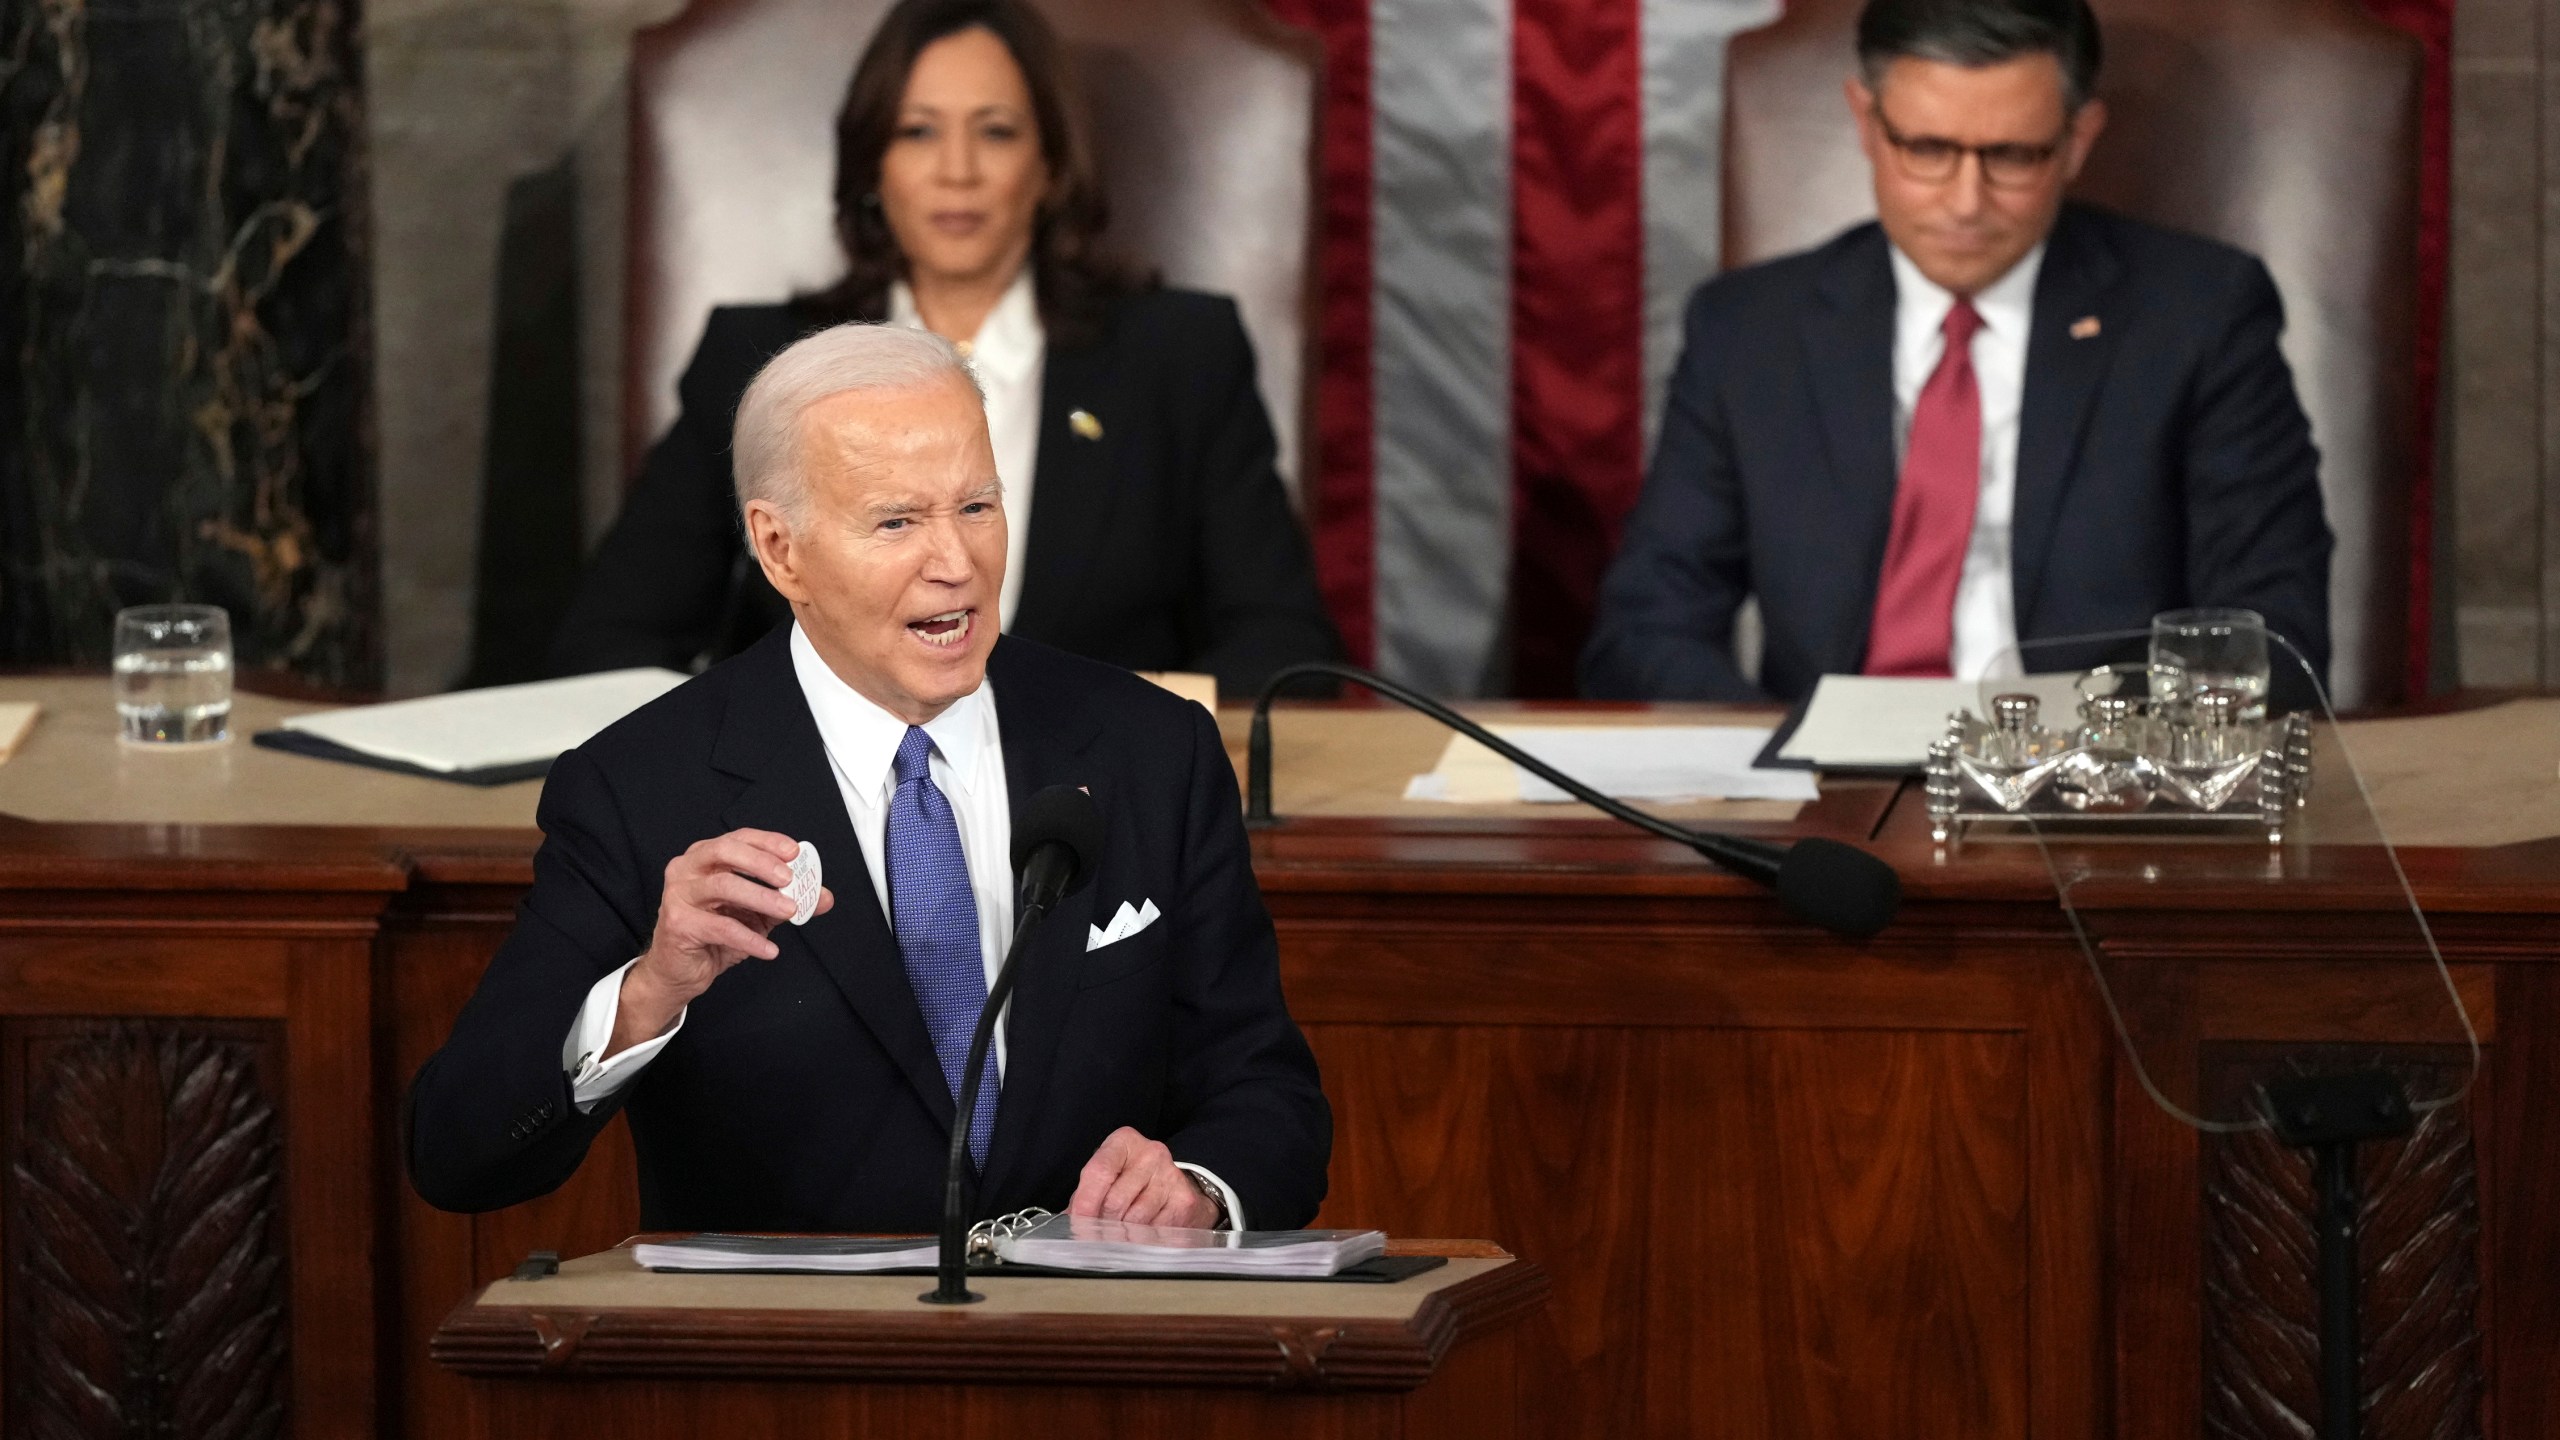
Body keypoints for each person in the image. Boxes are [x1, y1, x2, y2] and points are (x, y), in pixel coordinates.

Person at [409, 324, 1333, 1233]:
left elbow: (1268, 1095)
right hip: (797, 1371)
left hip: (1093, 1350)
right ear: (780, 551)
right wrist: (649, 992)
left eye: (977, 507)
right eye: (898, 522)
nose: (957, 564)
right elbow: (459, 1153)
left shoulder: (1151, 751)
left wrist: (1201, 1187)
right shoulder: (639, 790)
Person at [551, 0, 1338, 699]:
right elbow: (608, 648)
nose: (956, 172)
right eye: (918, 132)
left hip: (1098, 818)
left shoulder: (1179, 356)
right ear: (873, 168)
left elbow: (1283, 654)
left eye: (995, 132)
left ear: (1049, 167)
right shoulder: (756, 358)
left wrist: (1119, 733)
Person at [1580, 0, 2332, 703]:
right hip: (1826, 804)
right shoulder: (1748, 331)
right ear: (1868, 123)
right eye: (1928, 149)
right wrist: (1777, 758)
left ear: (2077, 141)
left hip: (2091, 800)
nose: (1966, 201)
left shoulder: (2201, 315)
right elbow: (1646, 631)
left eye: (2012, 156)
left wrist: (2078, 747)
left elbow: (2274, 636)